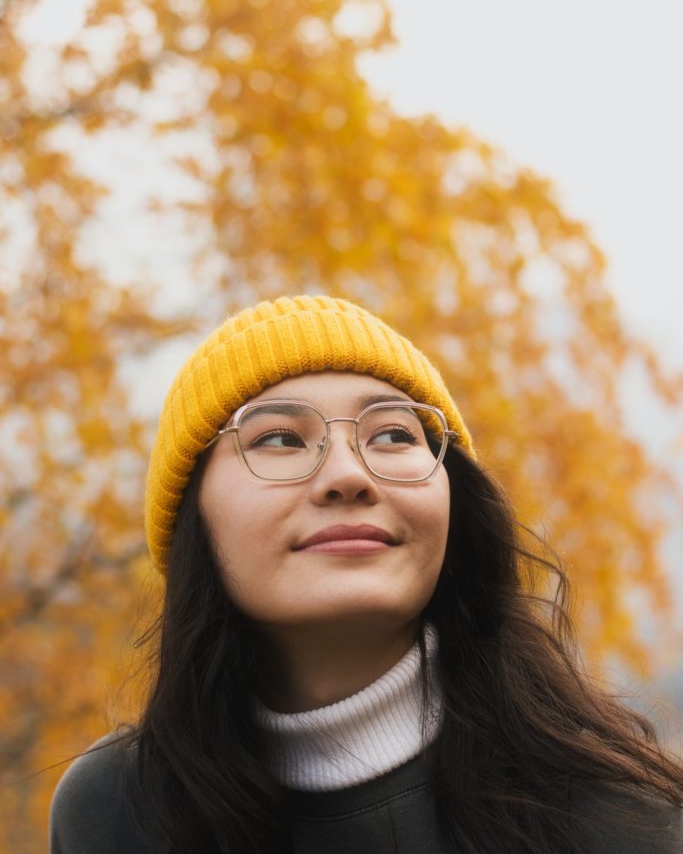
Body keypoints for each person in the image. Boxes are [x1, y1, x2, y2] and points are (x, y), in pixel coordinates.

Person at [49, 295, 683, 853]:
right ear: (195, 521)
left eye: (392, 435)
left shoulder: (625, 820)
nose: (349, 475)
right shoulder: (116, 811)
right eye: (279, 440)